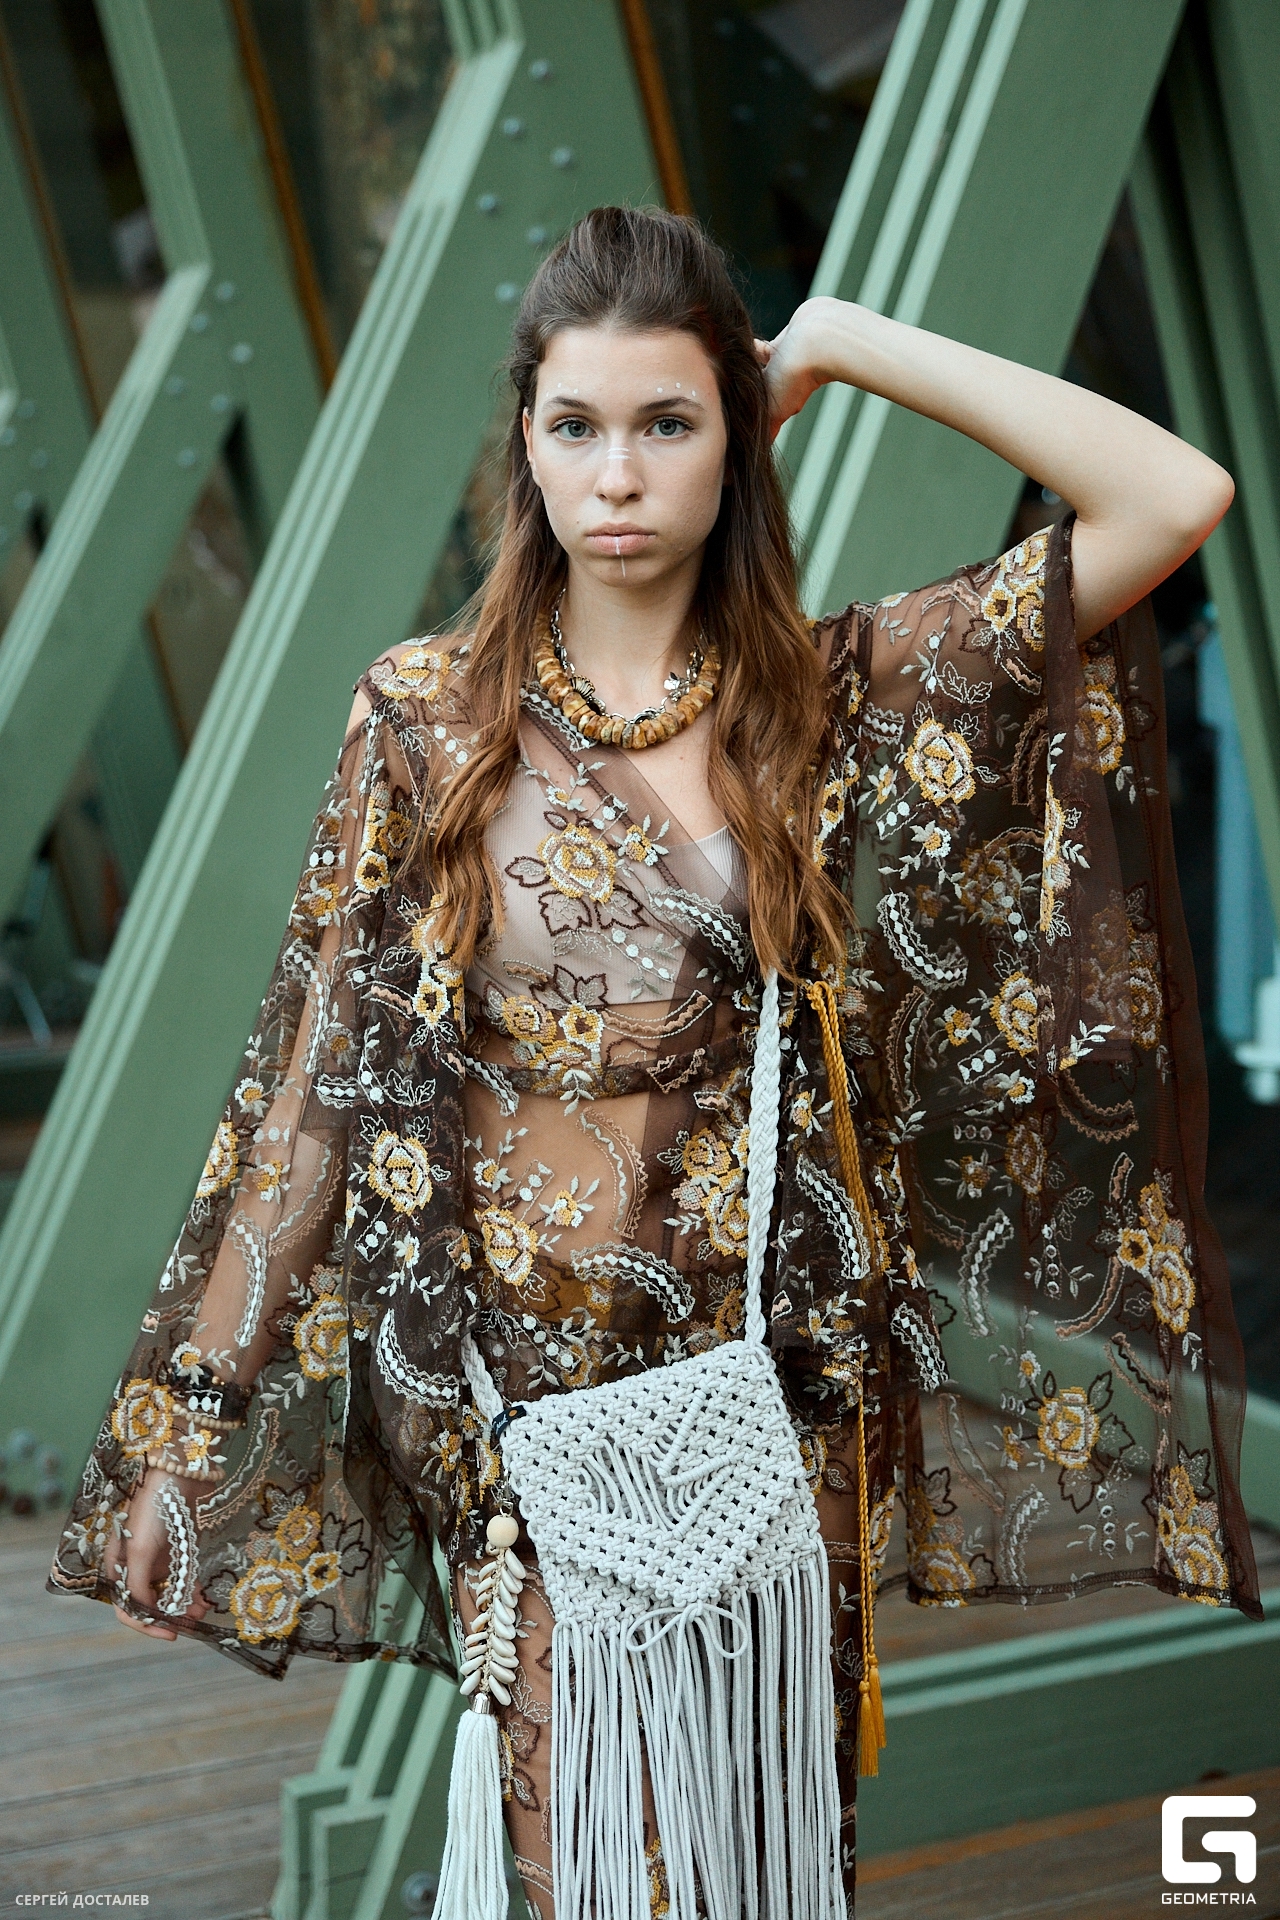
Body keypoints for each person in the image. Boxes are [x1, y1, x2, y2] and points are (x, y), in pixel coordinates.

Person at [51, 206, 1258, 1911]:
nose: (617, 473)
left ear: (737, 439)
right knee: (589, 1873)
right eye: (577, 425)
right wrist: (196, 1427)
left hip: (768, 1424)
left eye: (669, 421)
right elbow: (319, 1083)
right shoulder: (426, 721)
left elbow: (1173, 497)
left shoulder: (822, 703)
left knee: (762, 1866)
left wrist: (839, 342)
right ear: (528, 447)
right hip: (534, 1435)